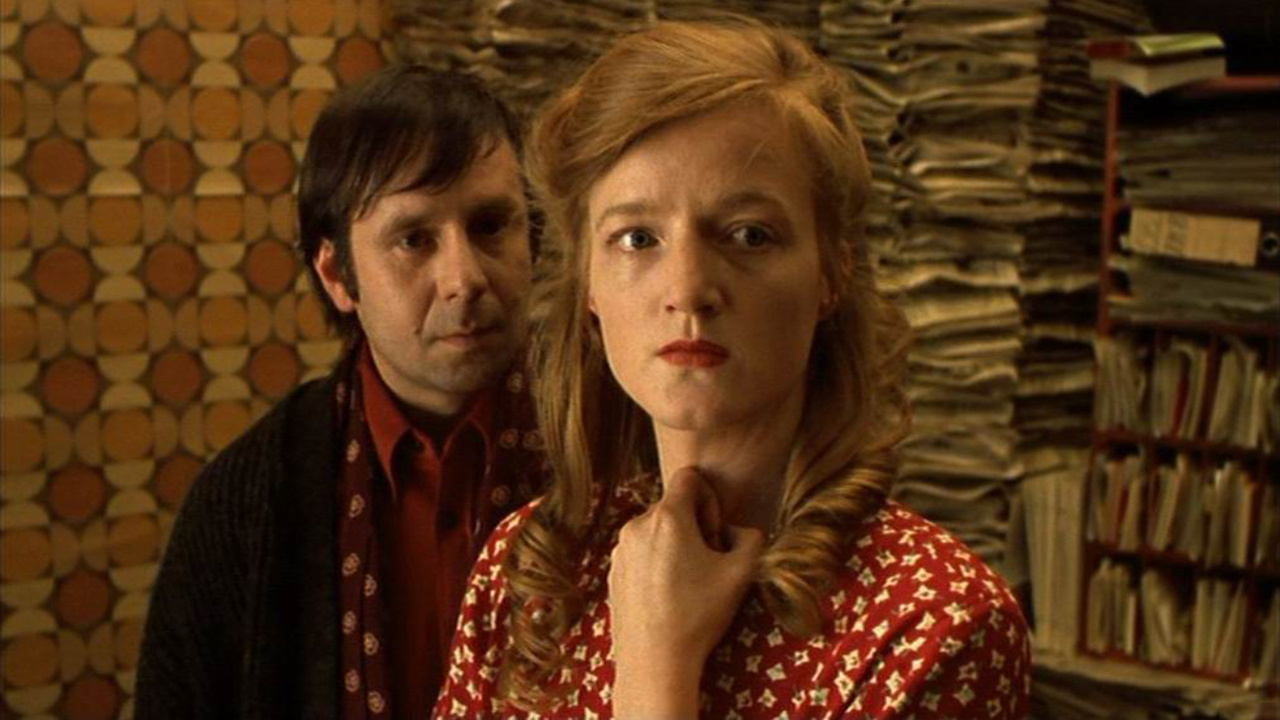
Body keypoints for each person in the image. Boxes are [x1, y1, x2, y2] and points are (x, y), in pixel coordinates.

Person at [434, 18, 1031, 719]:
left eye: (749, 234)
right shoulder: (532, 571)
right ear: (588, 284)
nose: (688, 289)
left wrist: (657, 666)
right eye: (637, 238)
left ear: (831, 273)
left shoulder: (938, 624)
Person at [136, 66, 547, 719]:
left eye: (491, 225)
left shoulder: (619, 446)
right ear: (337, 275)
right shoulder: (248, 499)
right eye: (414, 239)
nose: (464, 277)